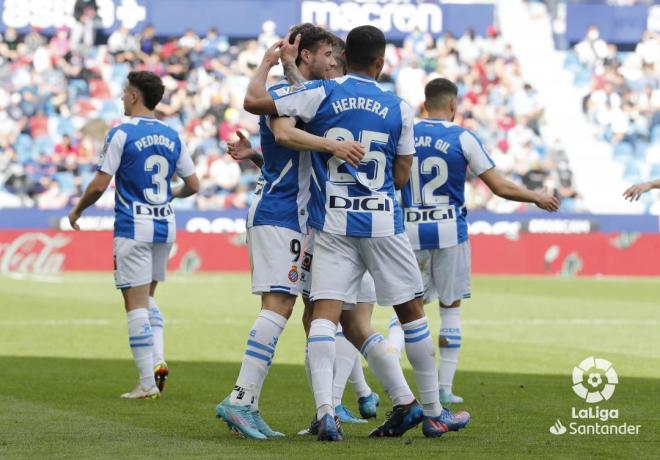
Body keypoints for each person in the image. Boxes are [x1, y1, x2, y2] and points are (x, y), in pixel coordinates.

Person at [244, 25, 470, 441]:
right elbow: (402, 175)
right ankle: (434, 411)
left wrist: (284, 65)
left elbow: (258, 102)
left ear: (344, 58)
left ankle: (326, 412)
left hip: (331, 223)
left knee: (324, 317)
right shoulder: (399, 107)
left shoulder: (324, 95)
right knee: (412, 314)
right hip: (383, 222)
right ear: (381, 63)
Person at [215, 24, 364, 440]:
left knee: (310, 311)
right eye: (328, 55)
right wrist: (270, 62)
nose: (334, 63)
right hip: (280, 215)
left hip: (299, 216)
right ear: (305, 54)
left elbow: (289, 160)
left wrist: (255, 157)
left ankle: (313, 405)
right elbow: (281, 131)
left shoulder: (302, 92)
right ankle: (240, 399)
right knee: (278, 306)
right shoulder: (284, 93)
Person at [390, 77, 559, 405]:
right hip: (450, 231)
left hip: (408, 232)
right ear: (453, 105)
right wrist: (535, 197)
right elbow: (499, 186)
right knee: (450, 309)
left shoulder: (404, 131)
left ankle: (393, 375)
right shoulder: (462, 137)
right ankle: (444, 389)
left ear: (425, 103)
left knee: (406, 310)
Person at [68, 71, 200, 399]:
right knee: (149, 298)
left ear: (134, 97)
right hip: (164, 225)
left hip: (133, 225)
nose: (122, 97)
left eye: (125, 92)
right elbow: (195, 185)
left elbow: (100, 183)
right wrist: (172, 195)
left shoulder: (121, 133)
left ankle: (146, 383)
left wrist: (78, 210)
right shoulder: (173, 136)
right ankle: (157, 359)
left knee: (135, 303)